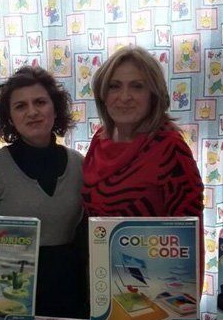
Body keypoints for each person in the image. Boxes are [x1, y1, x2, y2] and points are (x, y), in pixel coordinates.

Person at [0, 66, 87, 318]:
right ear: (9, 117)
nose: (32, 112)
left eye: (40, 102)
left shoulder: (81, 165)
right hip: (9, 300)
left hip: (73, 296)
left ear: (55, 108)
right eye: (20, 106)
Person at [82, 45, 203, 219]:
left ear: (153, 95)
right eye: (114, 86)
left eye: (137, 87)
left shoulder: (170, 148)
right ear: (103, 95)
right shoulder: (100, 138)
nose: (124, 97)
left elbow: (187, 232)